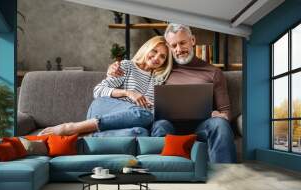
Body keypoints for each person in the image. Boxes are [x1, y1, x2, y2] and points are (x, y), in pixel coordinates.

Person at [107, 24, 236, 163]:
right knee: (161, 125)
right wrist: (114, 68)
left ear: (192, 40)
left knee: (220, 124)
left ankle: (225, 174)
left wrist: (220, 116)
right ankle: (161, 170)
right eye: (173, 45)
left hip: (201, 126)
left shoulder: (214, 72)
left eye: (182, 43)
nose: (179, 49)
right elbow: (138, 66)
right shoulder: (161, 67)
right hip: (168, 124)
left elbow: (226, 112)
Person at [39, 36, 173, 137]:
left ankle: (94, 136)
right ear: (146, 48)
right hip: (107, 108)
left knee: (156, 127)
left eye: (162, 56)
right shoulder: (126, 66)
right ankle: (72, 128)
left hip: (138, 119)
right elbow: (98, 91)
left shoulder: (158, 79)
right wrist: (128, 93)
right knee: (143, 114)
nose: (156, 57)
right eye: (154, 51)